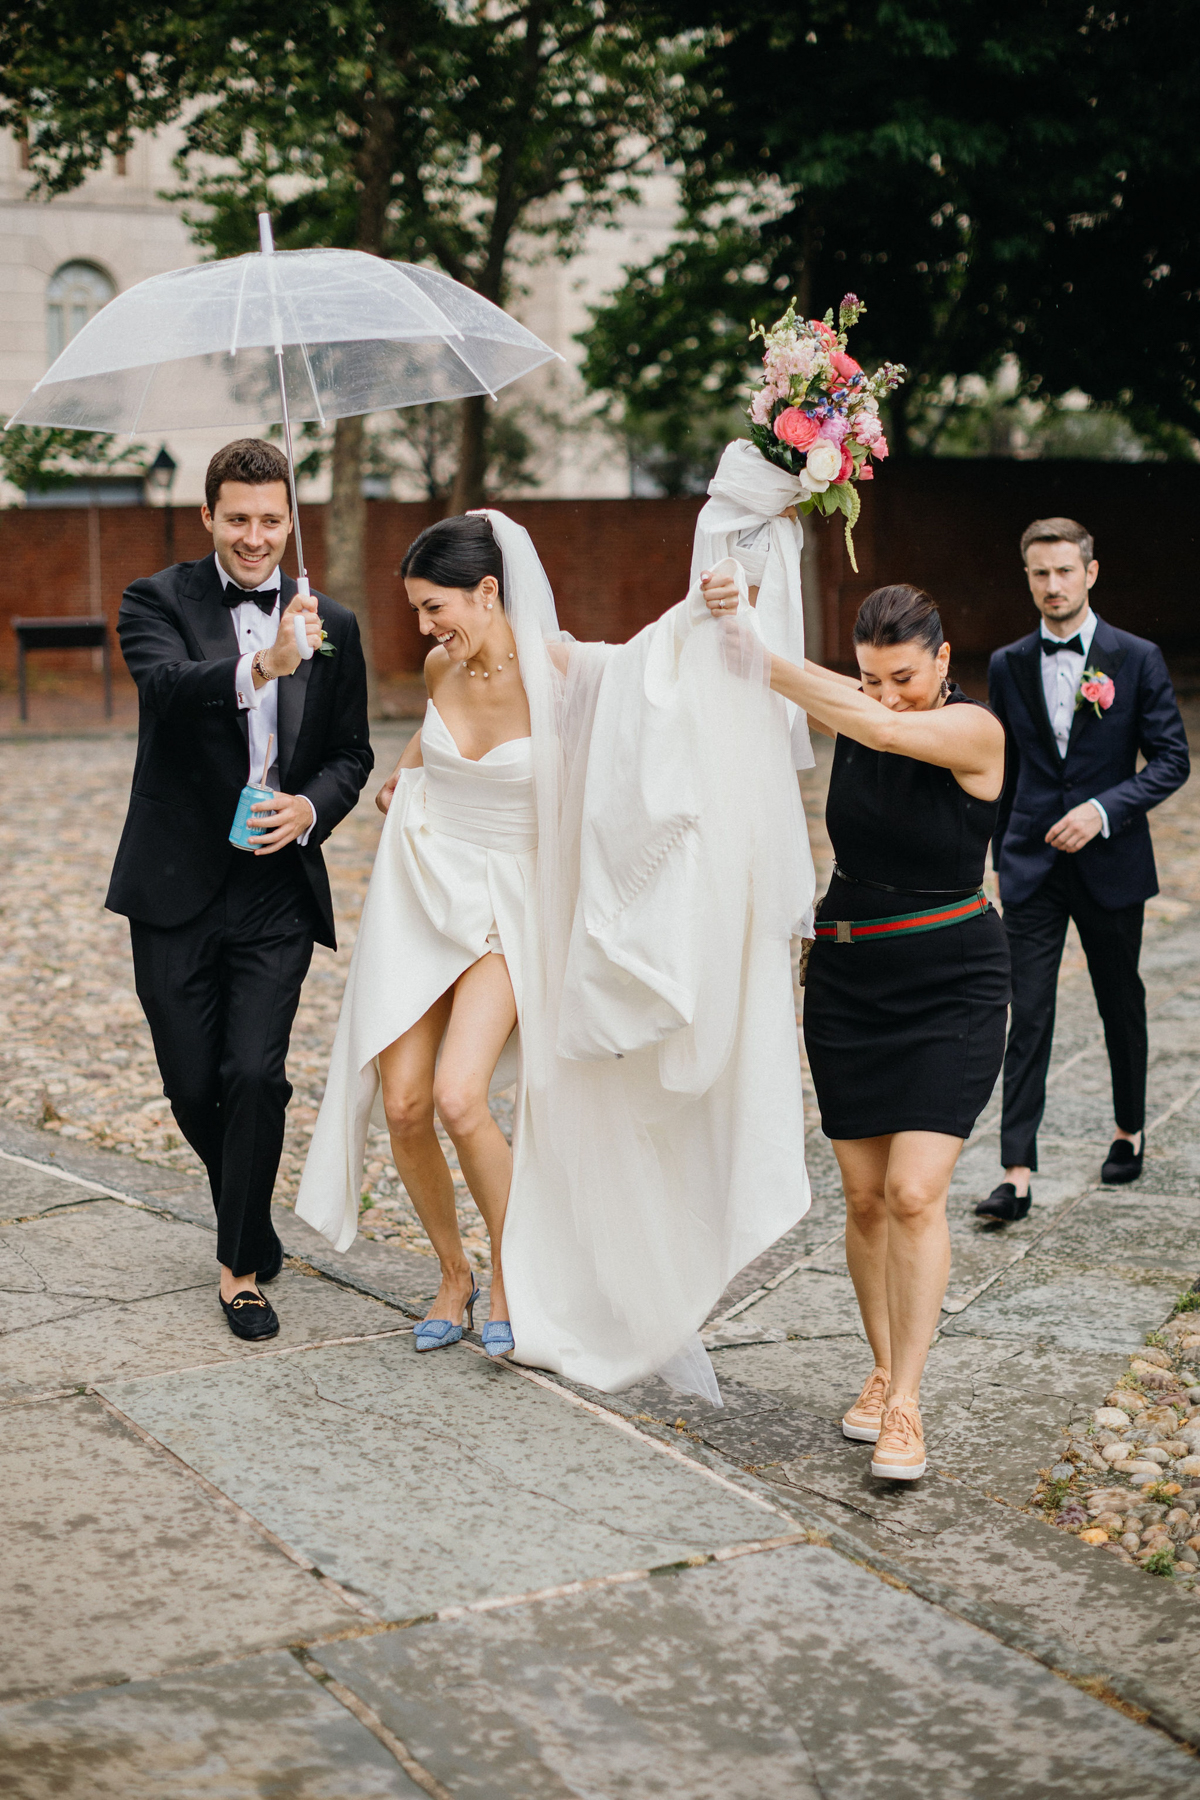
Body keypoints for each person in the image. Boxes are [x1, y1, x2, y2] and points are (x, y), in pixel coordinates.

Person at [297, 509, 814, 1397]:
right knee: (406, 1102)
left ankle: (511, 1272)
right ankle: (452, 1273)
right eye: (420, 612)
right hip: (424, 883)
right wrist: (408, 772)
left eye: (436, 608)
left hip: (510, 905)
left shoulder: (561, 671)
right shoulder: (438, 665)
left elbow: (654, 675)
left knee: (463, 1096)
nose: (426, 629)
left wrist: (703, 606)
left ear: (490, 592)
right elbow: (435, 728)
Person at [702, 573, 1009, 1481]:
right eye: (870, 678)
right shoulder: (861, 705)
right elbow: (836, 708)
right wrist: (739, 603)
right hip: (847, 982)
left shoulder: (973, 729)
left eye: (905, 676)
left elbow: (879, 727)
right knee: (866, 1197)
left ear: (944, 660)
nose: (885, 696)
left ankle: (908, 1404)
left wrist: (764, 655)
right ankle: (880, 1370)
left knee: (917, 1193)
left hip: (951, 983)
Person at [106, 439, 372, 1341]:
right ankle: (252, 1219)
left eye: (271, 520)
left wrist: (309, 808)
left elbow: (352, 754)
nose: (256, 537)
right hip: (174, 881)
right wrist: (262, 666)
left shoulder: (329, 618)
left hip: (274, 887)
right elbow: (167, 689)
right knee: (191, 1083)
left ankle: (238, 1271)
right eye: (239, 519)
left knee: (254, 1073)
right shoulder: (155, 600)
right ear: (209, 518)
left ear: (290, 519)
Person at [981, 517, 1189, 1220]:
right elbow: (1004, 770)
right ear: (1029, 578)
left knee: (1118, 1002)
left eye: (1065, 571)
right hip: (1031, 867)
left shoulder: (1137, 658)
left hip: (1110, 863)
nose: (1053, 585)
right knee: (1028, 1013)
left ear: (1090, 573)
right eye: (1040, 573)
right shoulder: (1008, 664)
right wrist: (999, 861)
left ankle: (1129, 1130)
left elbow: (1171, 761)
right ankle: (1016, 1173)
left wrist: (1104, 810)